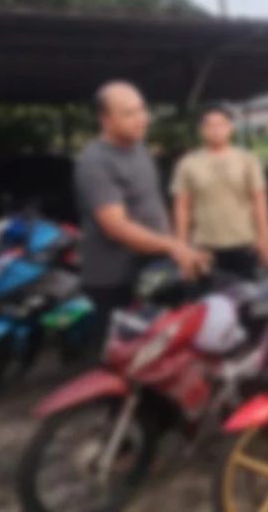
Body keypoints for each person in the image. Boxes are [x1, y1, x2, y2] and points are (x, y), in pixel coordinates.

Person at [76, 81, 208, 341]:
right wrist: (173, 247)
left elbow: (152, 204)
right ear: (105, 119)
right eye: (129, 113)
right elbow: (116, 226)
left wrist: (176, 246)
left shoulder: (139, 149)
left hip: (148, 271)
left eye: (142, 110)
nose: (142, 119)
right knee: (120, 352)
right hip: (115, 281)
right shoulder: (95, 162)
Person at [172, 104, 268, 281]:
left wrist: (264, 239)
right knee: (207, 295)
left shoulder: (247, 160)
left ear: (230, 128)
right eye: (209, 125)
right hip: (204, 248)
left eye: (221, 125)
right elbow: (182, 207)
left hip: (244, 244)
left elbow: (259, 201)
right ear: (201, 130)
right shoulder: (187, 164)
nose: (215, 130)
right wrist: (182, 245)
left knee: (246, 294)